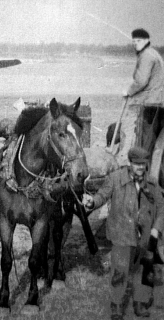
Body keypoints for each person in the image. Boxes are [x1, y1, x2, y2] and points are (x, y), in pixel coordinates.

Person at [83, 147, 164, 319]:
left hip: (147, 235)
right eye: (137, 164)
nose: (141, 168)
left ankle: (140, 303)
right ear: (129, 163)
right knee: (119, 271)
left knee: (145, 270)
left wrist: (156, 229)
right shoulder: (115, 178)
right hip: (121, 232)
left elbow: (162, 207)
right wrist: (91, 202)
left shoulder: (152, 182)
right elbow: (102, 196)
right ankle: (117, 304)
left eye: (143, 164)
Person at [117, 28, 164, 166]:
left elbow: (142, 81)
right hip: (159, 102)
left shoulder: (146, 55)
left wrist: (128, 91)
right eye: (134, 41)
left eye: (139, 41)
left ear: (147, 41)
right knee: (157, 145)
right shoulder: (155, 54)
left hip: (148, 102)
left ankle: (124, 161)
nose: (135, 44)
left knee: (129, 127)